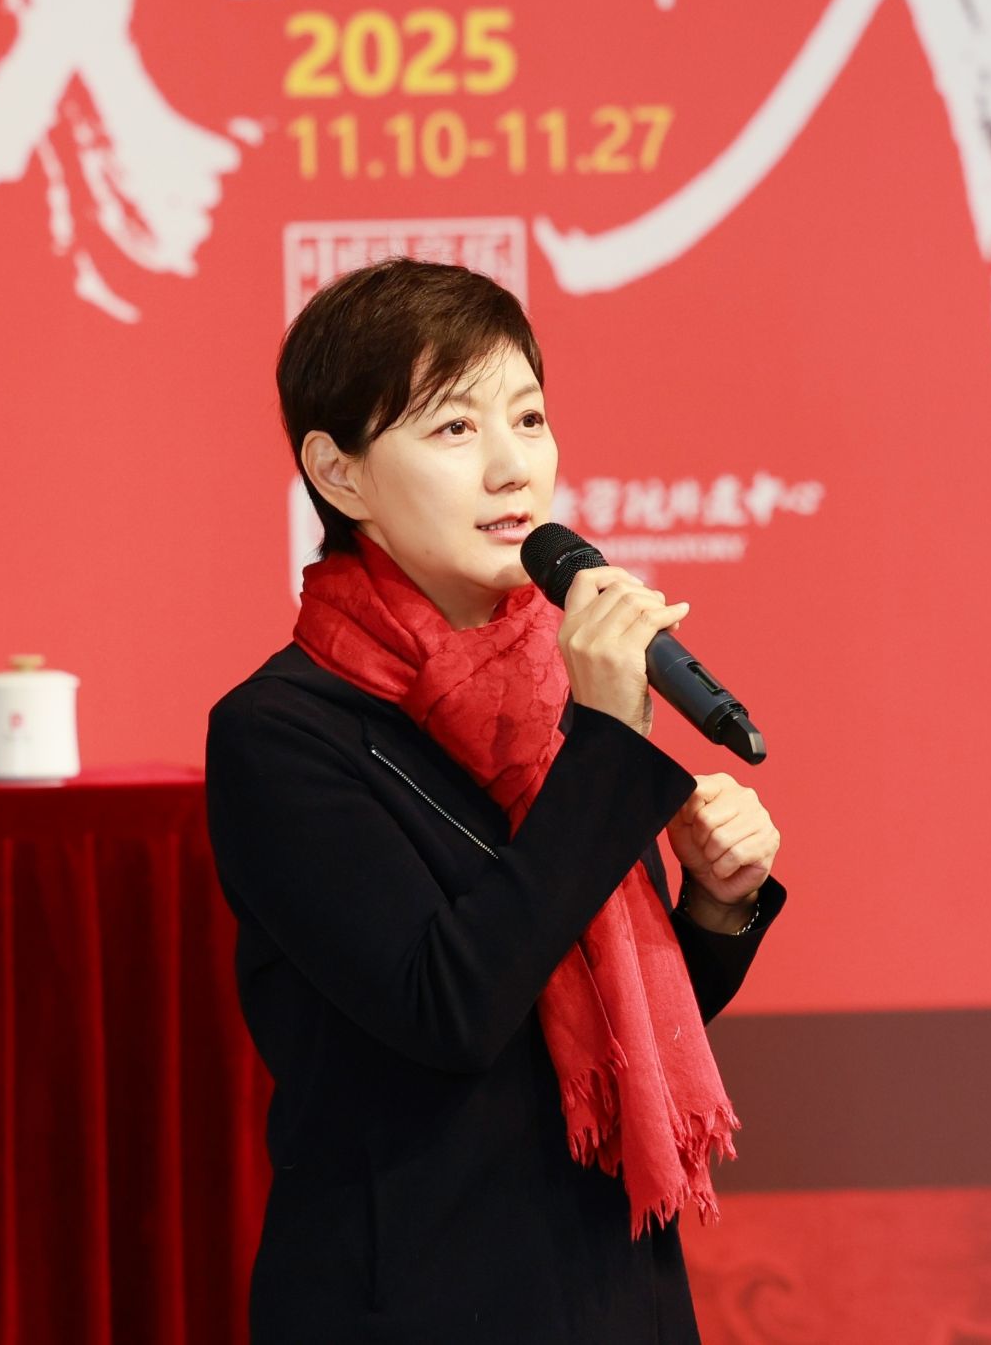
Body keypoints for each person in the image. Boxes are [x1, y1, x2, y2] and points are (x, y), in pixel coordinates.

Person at [205, 258, 788, 1344]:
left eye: (527, 417)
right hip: (415, 1298)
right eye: (454, 429)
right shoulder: (281, 734)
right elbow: (452, 1009)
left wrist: (714, 907)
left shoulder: (553, 686)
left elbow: (599, 1017)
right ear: (337, 474)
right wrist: (607, 747)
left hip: (612, 1284)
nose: (512, 466)